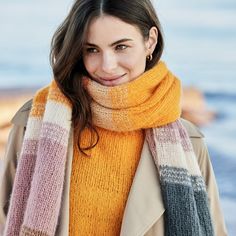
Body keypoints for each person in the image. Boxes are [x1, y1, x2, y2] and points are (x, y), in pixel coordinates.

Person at [0, 0, 227, 235]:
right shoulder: (36, 123)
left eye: (120, 47)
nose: (107, 66)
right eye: (92, 50)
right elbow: (4, 219)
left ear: (150, 41)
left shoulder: (189, 142)